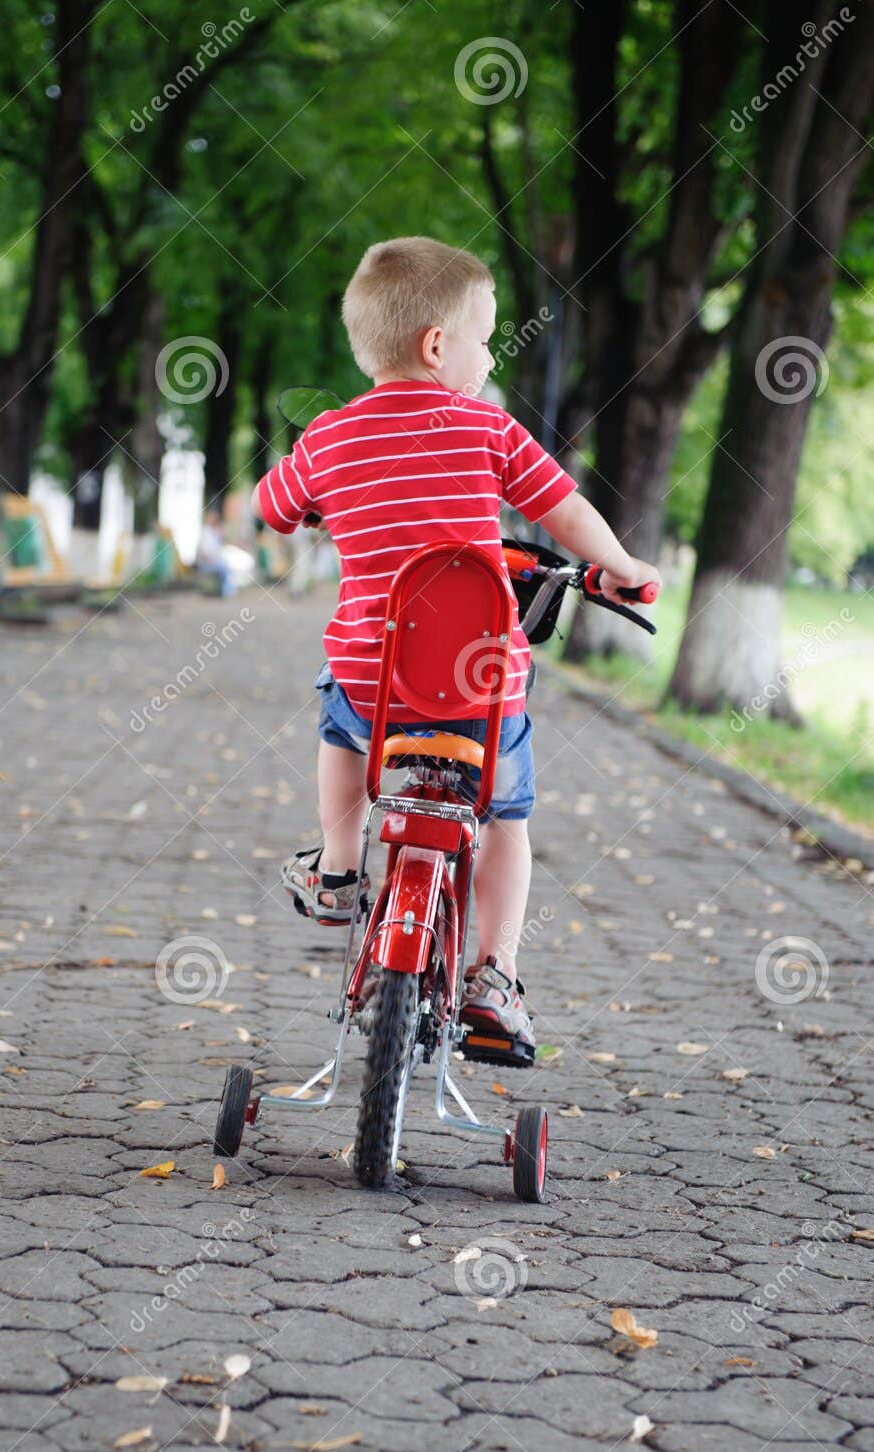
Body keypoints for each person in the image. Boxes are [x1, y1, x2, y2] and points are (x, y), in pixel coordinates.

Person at [251, 236, 660, 1044]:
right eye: (484, 337)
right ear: (437, 346)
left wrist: (310, 497)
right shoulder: (487, 429)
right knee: (506, 821)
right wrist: (616, 565)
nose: (486, 355)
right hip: (480, 688)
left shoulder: (328, 438)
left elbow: (271, 509)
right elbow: (561, 511)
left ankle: (338, 869)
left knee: (338, 725)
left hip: (373, 686)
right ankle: (495, 974)